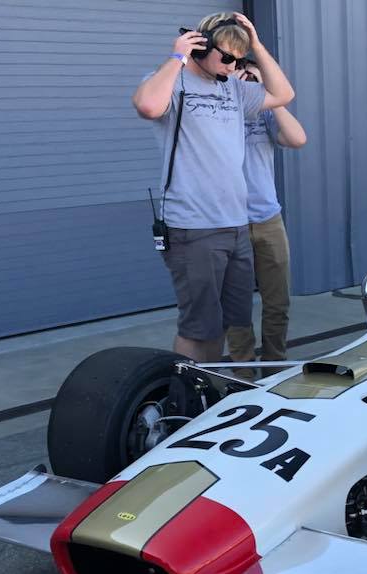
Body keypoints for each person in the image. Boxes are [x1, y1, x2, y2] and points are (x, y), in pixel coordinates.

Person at [131, 12, 294, 362]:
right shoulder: (172, 83)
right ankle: (187, 391)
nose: (232, 66)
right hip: (194, 226)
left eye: (238, 58)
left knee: (225, 322)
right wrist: (177, 56)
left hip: (236, 225)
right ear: (202, 47)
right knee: (198, 327)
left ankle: (210, 384)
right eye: (227, 57)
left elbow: (283, 93)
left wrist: (257, 45)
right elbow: (147, 105)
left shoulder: (234, 88)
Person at [226, 60, 307, 377]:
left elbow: (297, 138)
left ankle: (275, 367)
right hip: (229, 222)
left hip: (268, 219)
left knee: (278, 302)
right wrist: (231, 92)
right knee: (236, 307)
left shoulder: (267, 113)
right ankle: (243, 375)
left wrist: (267, 94)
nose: (245, 79)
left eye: (250, 74)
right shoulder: (218, 111)